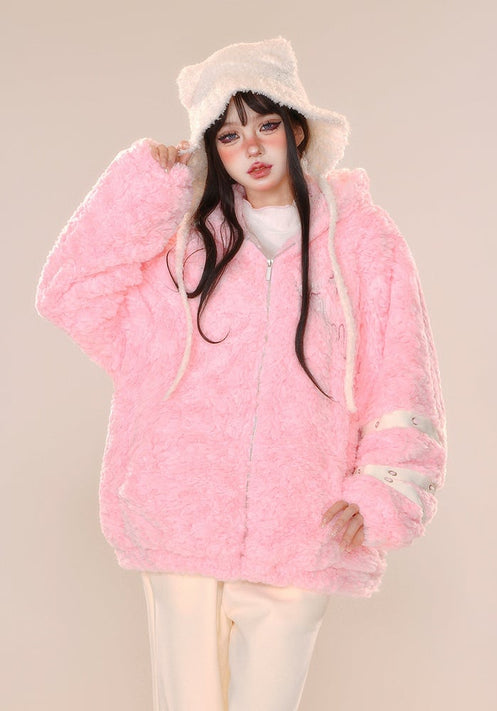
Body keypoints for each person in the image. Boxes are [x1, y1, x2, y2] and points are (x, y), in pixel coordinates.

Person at [35, 37, 447, 711]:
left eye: (266, 124)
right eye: (228, 135)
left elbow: (402, 370)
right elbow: (70, 293)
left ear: (296, 130)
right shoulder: (185, 243)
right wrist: (147, 188)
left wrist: (386, 485)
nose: (251, 146)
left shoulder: (363, 240)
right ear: (213, 150)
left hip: (300, 521)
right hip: (181, 514)